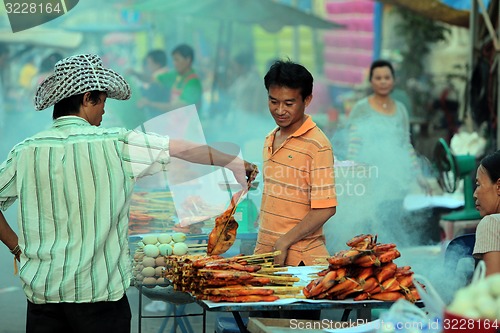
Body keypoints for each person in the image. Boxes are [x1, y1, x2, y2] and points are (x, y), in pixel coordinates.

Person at [0, 53, 257, 333]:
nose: (104, 113)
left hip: (43, 299)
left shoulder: (24, 151)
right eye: (103, 103)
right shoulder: (116, 143)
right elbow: (181, 148)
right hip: (100, 299)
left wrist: (16, 247)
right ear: (88, 98)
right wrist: (232, 162)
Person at [254, 59, 337, 267]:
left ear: (307, 100)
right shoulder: (270, 138)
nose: (280, 110)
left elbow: (325, 208)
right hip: (265, 254)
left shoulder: (318, 145)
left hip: (302, 260)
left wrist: (284, 241)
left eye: (289, 104)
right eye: (273, 102)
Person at [345, 59, 430, 244]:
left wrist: (418, 176)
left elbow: (406, 145)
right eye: (378, 78)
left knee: (393, 231)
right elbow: (354, 144)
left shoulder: (401, 110)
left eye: (386, 77)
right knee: (370, 232)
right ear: (371, 81)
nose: (383, 81)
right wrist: (350, 175)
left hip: (396, 183)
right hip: (370, 184)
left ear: (393, 80)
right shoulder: (361, 109)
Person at [138, 44, 202, 114]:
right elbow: (151, 79)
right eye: (174, 60)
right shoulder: (175, 75)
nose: (174, 63)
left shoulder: (193, 83)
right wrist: (134, 73)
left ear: (188, 60)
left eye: (177, 60)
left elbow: (178, 107)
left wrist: (151, 104)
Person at [472, 151, 500, 276]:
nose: (474, 194)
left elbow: (492, 291)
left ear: (499, 186)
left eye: (478, 185)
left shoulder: (492, 223)